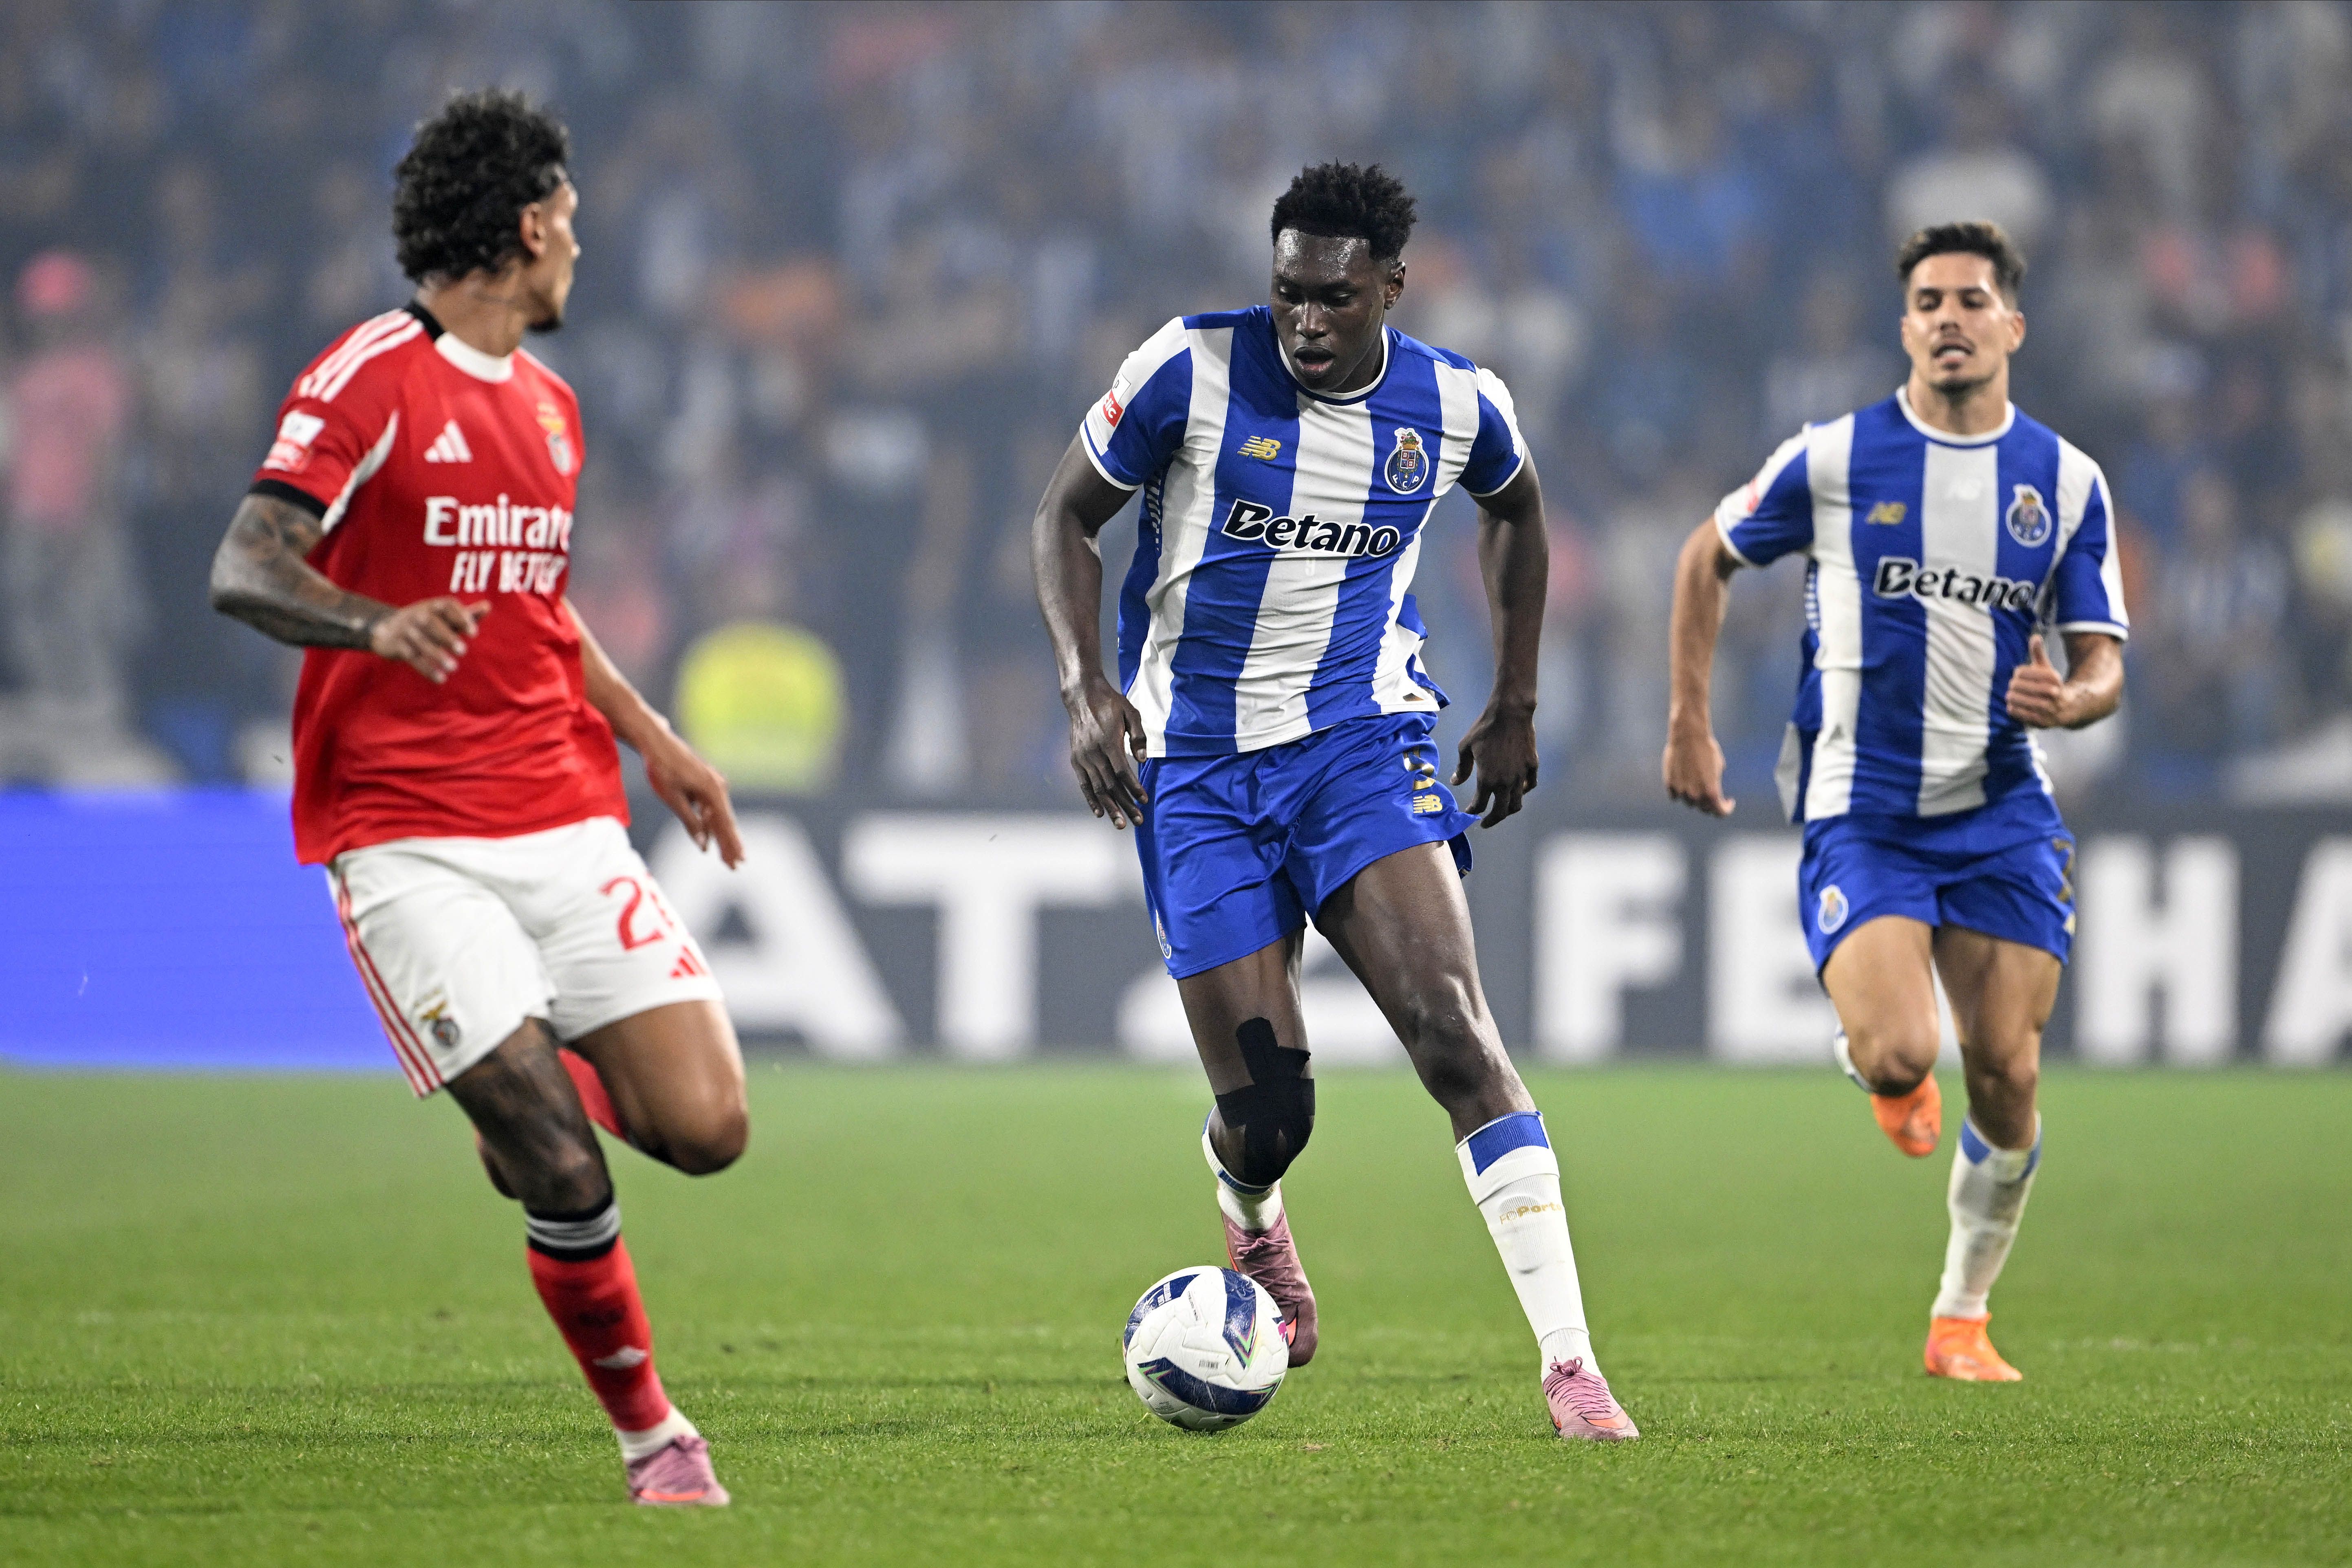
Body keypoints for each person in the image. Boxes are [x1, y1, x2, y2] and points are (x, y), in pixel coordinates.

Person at [1032, 163, 1637, 1442]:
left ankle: (1571, 1367)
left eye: (1335, 299)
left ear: (1391, 290)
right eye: (1288, 294)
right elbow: (1063, 518)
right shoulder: (1186, 370)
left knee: (1456, 1037)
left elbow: (1518, 513)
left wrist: (1514, 698)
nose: (1305, 322)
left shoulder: (1456, 402)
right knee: (1270, 1116)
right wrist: (1087, 691)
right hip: (1197, 769)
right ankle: (1251, 1213)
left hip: (1360, 749)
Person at [209, 90, 745, 1504]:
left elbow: (540, 611)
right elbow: (246, 564)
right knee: (561, 1169)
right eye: (571, 217)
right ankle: (655, 1438)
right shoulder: (367, 380)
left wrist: (655, 738)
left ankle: (519, 1068)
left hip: (562, 815)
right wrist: (372, 623)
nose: (582, 244)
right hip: (405, 838)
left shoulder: (552, 411)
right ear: (527, 225)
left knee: (708, 1131)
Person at [1662, 221, 2128, 1382]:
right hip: (1861, 805)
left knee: (2008, 1074)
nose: (1948, 319)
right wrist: (1688, 722)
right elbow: (1704, 557)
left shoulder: (2066, 482)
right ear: (1905, 328)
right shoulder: (1834, 458)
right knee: (1898, 1055)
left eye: (1970, 300)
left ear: (2012, 325)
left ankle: (1960, 1319)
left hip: (2002, 807)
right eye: (1927, 303)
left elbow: (2103, 660)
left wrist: (2074, 701)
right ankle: (1883, 1068)